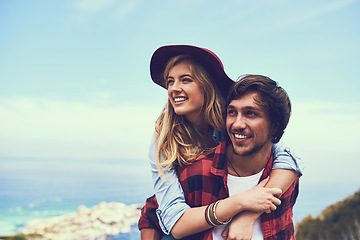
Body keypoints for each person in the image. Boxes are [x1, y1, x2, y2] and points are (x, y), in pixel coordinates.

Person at [138, 45, 303, 239]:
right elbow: (169, 214)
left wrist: (248, 216)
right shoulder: (164, 141)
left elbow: (286, 156)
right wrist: (240, 203)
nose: (174, 88)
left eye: (186, 79)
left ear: (207, 85)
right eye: (170, 81)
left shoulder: (232, 117)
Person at [172, 74, 299, 239]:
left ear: (274, 126)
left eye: (251, 113)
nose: (237, 124)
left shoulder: (286, 175)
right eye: (232, 112)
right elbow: (152, 214)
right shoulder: (195, 171)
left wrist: (248, 216)